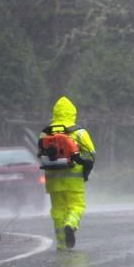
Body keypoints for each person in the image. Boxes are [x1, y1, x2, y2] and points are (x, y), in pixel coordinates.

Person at [38, 96, 96, 249]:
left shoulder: (45, 132)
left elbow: (40, 153)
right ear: (72, 112)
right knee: (76, 206)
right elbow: (91, 153)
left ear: (55, 112)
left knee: (57, 210)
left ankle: (62, 244)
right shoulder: (79, 132)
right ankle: (71, 224)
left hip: (53, 180)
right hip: (74, 180)